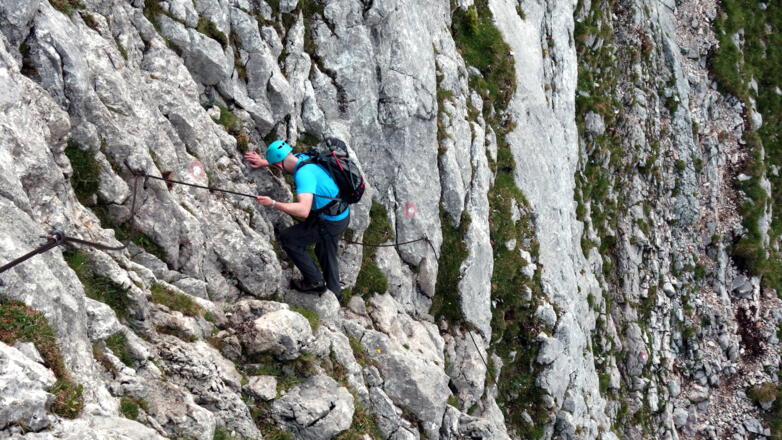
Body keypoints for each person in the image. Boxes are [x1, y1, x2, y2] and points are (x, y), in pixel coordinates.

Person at [244, 140, 350, 297]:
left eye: (276, 165)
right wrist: (264, 162)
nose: (278, 167)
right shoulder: (302, 157)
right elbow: (284, 163)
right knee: (324, 250)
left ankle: (315, 282)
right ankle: (335, 293)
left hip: (328, 221)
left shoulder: (303, 175)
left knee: (288, 239)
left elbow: (303, 211)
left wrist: (273, 203)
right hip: (340, 214)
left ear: (279, 163)